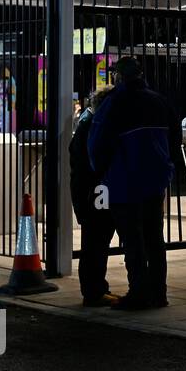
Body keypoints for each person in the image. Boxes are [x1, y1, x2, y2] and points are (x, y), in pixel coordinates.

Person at [88, 56, 177, 311]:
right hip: (155, 181)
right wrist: (166, 167)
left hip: (125, 181)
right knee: (154, 240)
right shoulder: (159, 101)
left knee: (133, 241)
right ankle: (159, 293)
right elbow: (173, 140)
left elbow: (97, 144)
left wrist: (101, 172)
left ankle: (138, 292)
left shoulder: (114, 103)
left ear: (118, 76)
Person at [70, 86, 116, 307]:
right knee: (96, 240)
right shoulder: (92, 127)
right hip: (94, 191)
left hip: (91, 190)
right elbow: (91, 162)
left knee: (98, 239)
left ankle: (97, 288)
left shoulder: (89, 124)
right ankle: (93, 291)